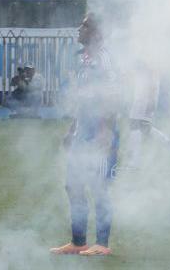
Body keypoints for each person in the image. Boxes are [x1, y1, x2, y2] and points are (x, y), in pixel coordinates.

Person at [50, 13, 119, 257]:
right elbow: (83, 100)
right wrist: (72, 129)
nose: (80, 29)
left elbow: (111, 96)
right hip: (82, 132)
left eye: (85, 25)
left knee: (99, 186)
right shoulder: (85, 60)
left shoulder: (104, 59)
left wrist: (106, 130)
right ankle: (78, 241)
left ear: (97, 33)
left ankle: (102, 243)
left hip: (100, 131)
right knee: (73, 185)